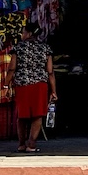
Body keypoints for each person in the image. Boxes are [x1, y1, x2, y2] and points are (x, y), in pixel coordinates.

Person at [8, 22, 57, 153]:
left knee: (22, 116)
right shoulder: (45, 48)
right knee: (37, 116)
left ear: (29, 33)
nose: (22, 35)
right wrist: (53, 91)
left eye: (23, 32)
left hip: (22, 85)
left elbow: (12, 68)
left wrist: (6, 84)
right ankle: (31, 144)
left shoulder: (18, 48)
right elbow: (50, 71)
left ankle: (21, 144)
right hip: (40, 85)